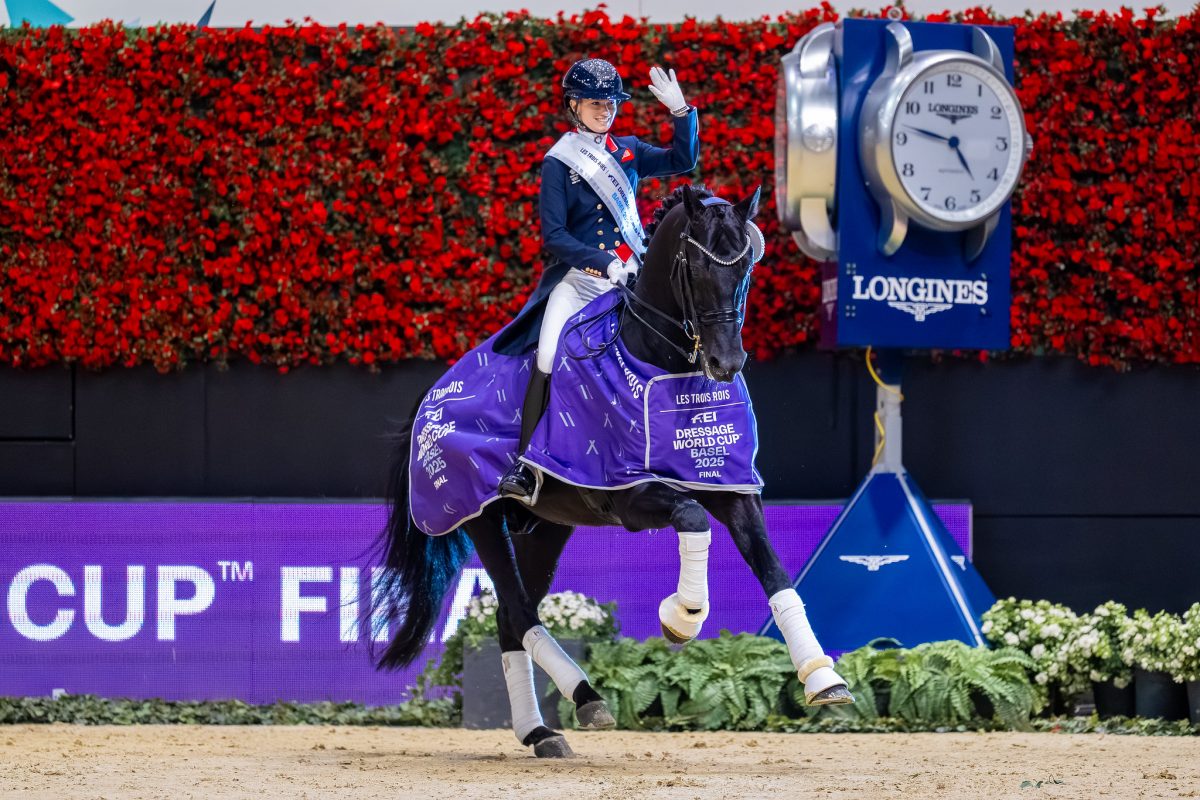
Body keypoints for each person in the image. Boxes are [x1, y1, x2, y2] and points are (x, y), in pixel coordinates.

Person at [496, 57, 700, 501]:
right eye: (594, 102)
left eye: (610, 102)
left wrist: (682, 114)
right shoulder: (558, 162)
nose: (604, 109)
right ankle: (526, 467)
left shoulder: (628, 150)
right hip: (580, 280)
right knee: (548, 355)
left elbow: (684, 161)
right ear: (573, 105)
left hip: (631, 280)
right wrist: (601, 263)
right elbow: (554, 235)